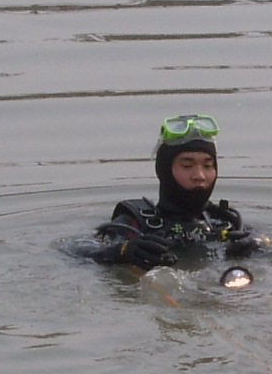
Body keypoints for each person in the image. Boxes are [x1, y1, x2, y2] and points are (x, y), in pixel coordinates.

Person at [78, 114, 261, 269]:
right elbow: (75, 249)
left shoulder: (223, 222)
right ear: (165, 170)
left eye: (208, 165)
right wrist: (121, 251)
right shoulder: (135, 222)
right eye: (187, 165)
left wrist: (257, 246)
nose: (200, 175)